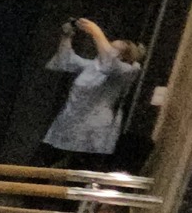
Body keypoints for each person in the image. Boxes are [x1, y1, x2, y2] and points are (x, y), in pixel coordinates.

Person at [39, 18, 145, 168]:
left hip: (94, 129)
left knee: (79, 170)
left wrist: (96, 31)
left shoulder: (126, 71)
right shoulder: (92, 66)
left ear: (122, 56)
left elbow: (109, 63)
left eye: (112, 48)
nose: (105, 48)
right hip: (69, 123)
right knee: (41, 164)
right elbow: (65, 60)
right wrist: (67, 36)